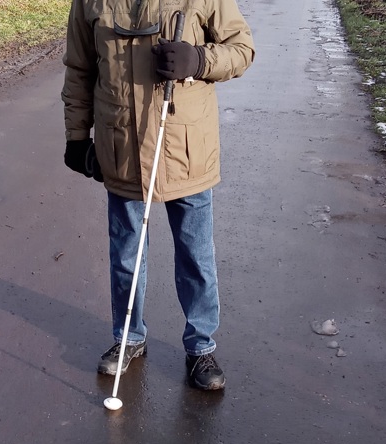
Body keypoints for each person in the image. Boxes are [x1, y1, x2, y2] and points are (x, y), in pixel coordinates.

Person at [61, 0, 254, 390]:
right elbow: (79, 68)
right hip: (121, 152)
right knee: (126, 255)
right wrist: (77, 137)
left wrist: (198, 60)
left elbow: (242, 49)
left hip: (186, 151)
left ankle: (201, 346)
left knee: (195, 255)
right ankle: (128, 337)